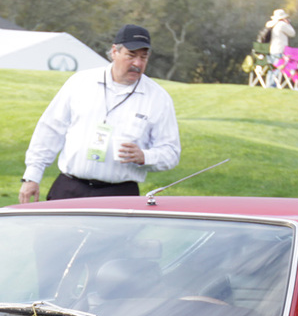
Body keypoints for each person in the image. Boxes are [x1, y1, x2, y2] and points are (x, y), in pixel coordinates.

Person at [19, 24, 181, 202]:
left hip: (120, 195)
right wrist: (32, 176)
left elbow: (171, 152)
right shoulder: (80, 82)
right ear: (114, 52)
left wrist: (145, 156)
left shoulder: (158, 98)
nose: (138, 63)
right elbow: (50, 129)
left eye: (144, 57)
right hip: (69, 188)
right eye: (131, 55)